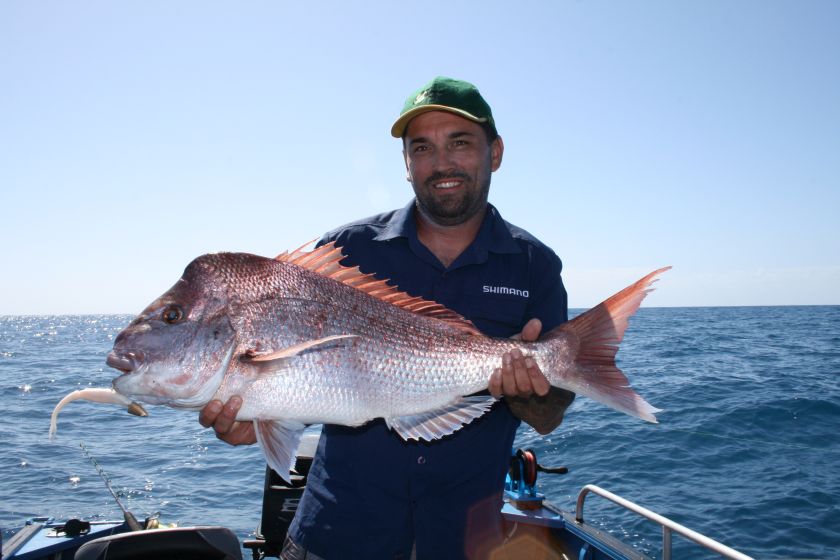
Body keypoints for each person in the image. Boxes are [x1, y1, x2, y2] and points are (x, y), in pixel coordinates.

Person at [199, 76, 575, 559]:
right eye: (422, 148)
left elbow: (550, 416)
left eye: (460, 143)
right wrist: (254, 416)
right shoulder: (345, 251)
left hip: (464, 542)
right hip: (336, 535)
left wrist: (531, 392)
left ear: (495, 153)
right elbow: (312, 377)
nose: (441, 163)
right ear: (406, 164)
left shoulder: (534, 263)